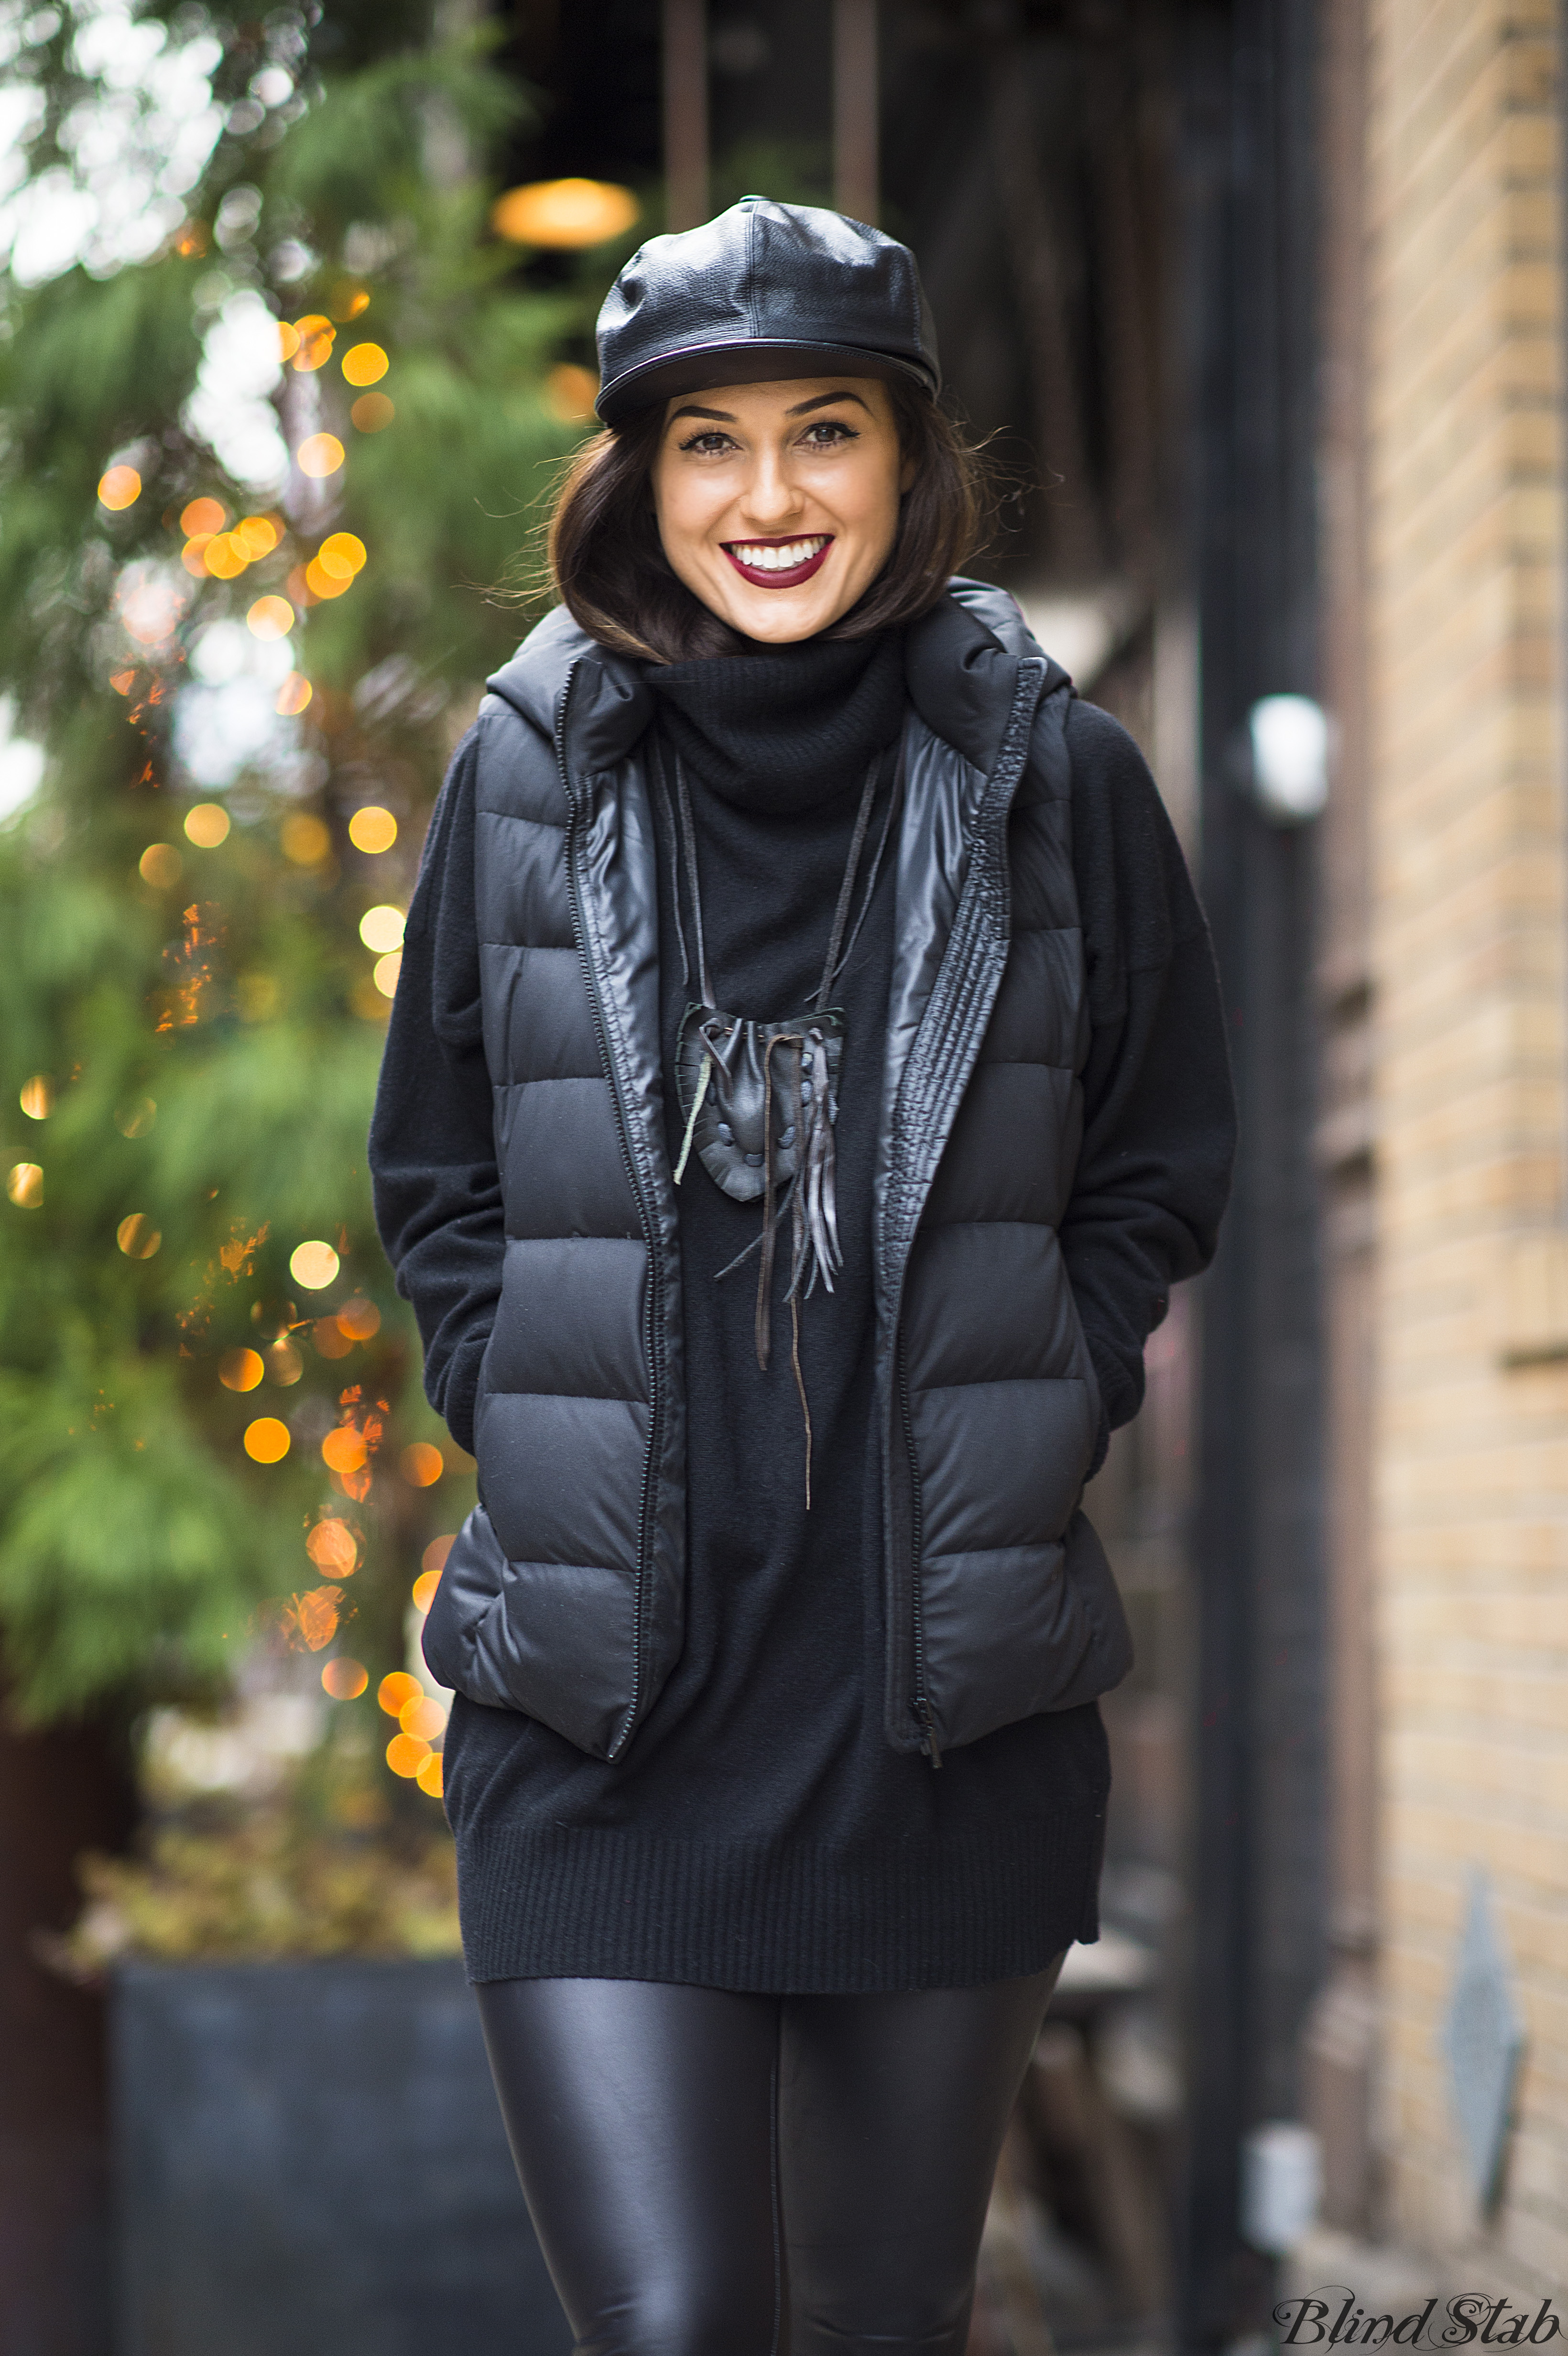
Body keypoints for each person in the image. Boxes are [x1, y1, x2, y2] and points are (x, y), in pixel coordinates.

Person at [370, 197, 1235, 2356]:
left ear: (908, 459)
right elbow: (438, 1174)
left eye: (822, 431)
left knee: (881, 2316)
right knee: (672, 2325)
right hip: (600, 1721)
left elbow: (1160, 1158)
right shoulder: (523, 780)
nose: (767, 498)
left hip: (934, 1735)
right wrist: (524, 1398)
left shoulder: (1056, 779)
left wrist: (1054, 1377)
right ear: (638, 478)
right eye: (705, 440)